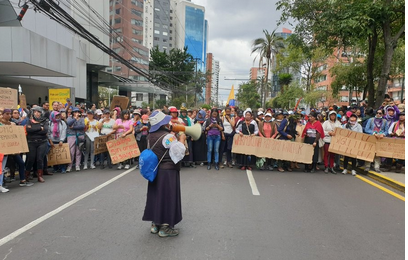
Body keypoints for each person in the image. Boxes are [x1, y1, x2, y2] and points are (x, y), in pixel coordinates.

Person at [142, 111, 185, 237]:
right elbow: (179, 153)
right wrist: (181, 139)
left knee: (156, 196)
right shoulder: (168, 137)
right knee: (167, 197)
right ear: (163, 123)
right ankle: (165, 227)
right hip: (168, 171)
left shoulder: (150, 136)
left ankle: (155, 224)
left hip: (155, 170)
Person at [25, 107, 49, 182]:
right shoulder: (29, 121)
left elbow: (45, 131)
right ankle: (26, 175)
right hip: (31, 142)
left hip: (42, 141)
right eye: (35, 112)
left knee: (39, 159)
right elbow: (29, 130)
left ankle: (40, 176)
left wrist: (35, 129)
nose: (37, 113)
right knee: (31, 159)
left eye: (39, 112)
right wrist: (39, 128)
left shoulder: (45, 121)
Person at [66, 108, 85, 172]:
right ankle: (70, 166)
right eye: (75, 112)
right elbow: (69, 124)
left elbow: (82, 126)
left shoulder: (82, 119)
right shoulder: (69, 118)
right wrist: (75, 118)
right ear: (73, 113)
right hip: (71, 136)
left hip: (80, 135)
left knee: (78, 151)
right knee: (71, 152)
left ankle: (77, 165)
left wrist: (74, 127)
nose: (77, 113)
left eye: (78, 112)